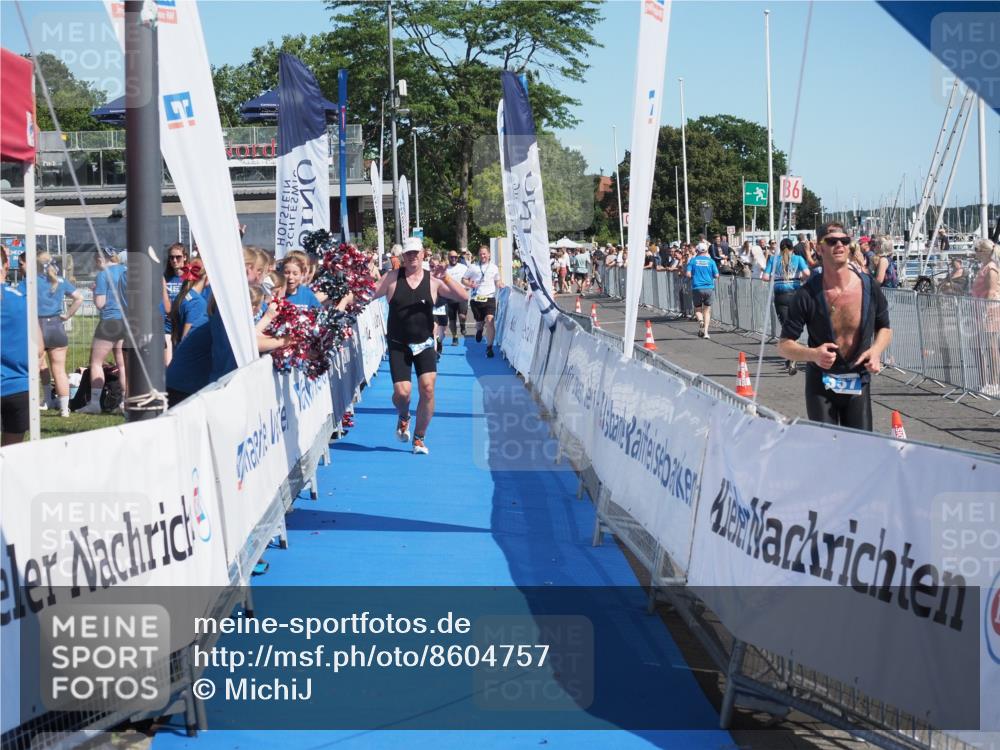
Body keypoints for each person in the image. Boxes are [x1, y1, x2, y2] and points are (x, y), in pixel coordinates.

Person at [776, 222, 892, 431]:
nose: (839, 245)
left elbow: (884, 328)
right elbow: (784, 345)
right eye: (831, 241)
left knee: (861, 444)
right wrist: (813, 354)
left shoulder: (868, 286)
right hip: (821, 383)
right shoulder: (807, 294)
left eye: (844, 241)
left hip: (858, 379)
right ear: (819, 248)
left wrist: (876, 351)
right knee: (826, 445)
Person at [370, 236, 469, 455]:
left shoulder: (433, 280)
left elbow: (463, 296)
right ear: (403, 256)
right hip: (398, 344)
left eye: (416, 253)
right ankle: (404, 415)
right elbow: (367, 295)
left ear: (423, 254)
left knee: (428, 388)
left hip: (424, 344)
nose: (413, 257)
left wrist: (446, 277)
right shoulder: (392, 278)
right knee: (402, 394)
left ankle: (419, 438)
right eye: (409, 253)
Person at [79, 247, 127, 414]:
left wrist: (94, 292)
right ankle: (124, 403)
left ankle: (94, 403)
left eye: (95, 259)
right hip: (126, 320)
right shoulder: (126, 270)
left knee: (96, 362)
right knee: (122, 363)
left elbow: (100, 304)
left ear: (101, 258)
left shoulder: (103, 275)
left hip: (109, 320)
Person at [36, 252, 83, 416]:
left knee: (35, 367)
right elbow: (79, 298)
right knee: (60, 370)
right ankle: (64, 409)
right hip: (56, 325)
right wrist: (67, 315)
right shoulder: (61, 280)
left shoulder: (32, 281)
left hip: (38, 326)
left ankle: (43, 401)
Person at [1, 247, 39, 445]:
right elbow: (39, 348)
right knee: (11, 454)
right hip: (20, 388)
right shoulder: (23, 299)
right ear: (7, 265)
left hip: (18, 385)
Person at [762, 239, 811, 374]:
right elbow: (807, 273)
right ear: (792, 249)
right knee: (794, 326)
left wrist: (776, 278)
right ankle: (792, 356)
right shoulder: (798, 259)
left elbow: (765, 277)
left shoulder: (773, 259)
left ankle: (791, 355)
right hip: (795, 294)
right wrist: (800, 278)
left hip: (780, 296)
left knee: (785, 327)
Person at [462, 245, 504, 358]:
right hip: (476, 298)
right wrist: (470, 284)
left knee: (490, 320)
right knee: (479, 322)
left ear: (489, 255)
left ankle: (489, 347)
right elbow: (463, 279)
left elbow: (497, 281)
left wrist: (501, 285)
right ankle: (479, 330)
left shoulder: (494, 267)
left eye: (484, 254)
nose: (482, 256)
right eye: (480, 254)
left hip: (490, 297)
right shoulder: (473, 267)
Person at [971, 238, 1000, 397]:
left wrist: (985, 310)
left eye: (977, 250)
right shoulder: (984, 267)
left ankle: (994, 383)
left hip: (990, 311)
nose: (975, 253)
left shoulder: (991, 268)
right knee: (976, 345)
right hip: (979, 310)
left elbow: (991, 291)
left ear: (984, 252)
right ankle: (983, 381)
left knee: (991, 347)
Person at [168, 259, 209, 345]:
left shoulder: (182, 296)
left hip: (177, 350)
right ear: (207, 277)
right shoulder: (197, 302)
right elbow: (186, 340)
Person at [686, 242, 719, 338]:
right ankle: (706, 333)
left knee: (698, 309)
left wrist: (694, 277)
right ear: (707, 251)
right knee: (707, 311)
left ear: (697, 250)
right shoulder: (711, 261)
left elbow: (688, 274)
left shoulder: (693, 260)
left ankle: (701, 321)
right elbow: (716, 275)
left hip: (697, 287)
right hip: (709, 288)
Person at [444, 250, 469, 345]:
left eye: (455, 257)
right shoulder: (445, 269)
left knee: (462, 316)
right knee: (452, 320)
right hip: (450, 296)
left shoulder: (463, 267)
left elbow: (469, 278)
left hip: (461, 295)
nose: (454, 259)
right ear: (448, 258)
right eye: (451, 257)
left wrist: (468, 285)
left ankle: (463, 325)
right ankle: (454, 337)